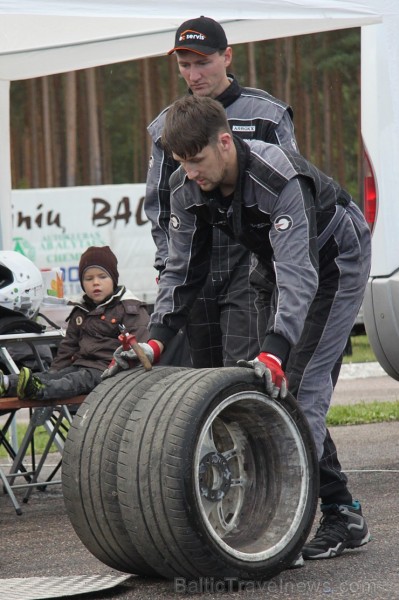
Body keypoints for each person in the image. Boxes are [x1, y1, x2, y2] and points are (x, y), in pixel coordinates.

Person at [106, 95, 372, 562]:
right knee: (271, 388)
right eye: (183, 163)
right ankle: (344, 510)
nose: (191, 173)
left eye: (198, 160)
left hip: (334, 264)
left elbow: (302, 274)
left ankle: (286, 528)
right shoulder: (186, 185)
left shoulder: (277, 175)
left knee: (303, 390)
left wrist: (276, 346)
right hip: (272, 265)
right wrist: (154, 341)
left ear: (225, 142)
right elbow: (181, 273)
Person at [145, 15, 298, 368]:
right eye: (185, 65)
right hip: (193, 264)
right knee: (203, 383)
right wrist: (168, 264)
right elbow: (159, 206)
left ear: (226, 57)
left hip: (249, 263)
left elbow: (293, 194)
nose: (194, 75)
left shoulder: (267, 115)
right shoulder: (167, 125)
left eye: (203, 62)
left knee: (240, 376)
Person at [0, 246, 150, 401]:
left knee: (76, 380)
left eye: (102, 277)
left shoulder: (130, 308)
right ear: (82, 283)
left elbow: (139, 349)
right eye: (89, 279)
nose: (96, 283)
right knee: (52, 375)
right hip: (81, 365)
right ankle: (6, 383)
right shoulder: (81, 310)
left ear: (114, 279)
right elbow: (68, 347)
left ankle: (39, 390)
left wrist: (120, 370)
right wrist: (54, 371)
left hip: (111, 372)